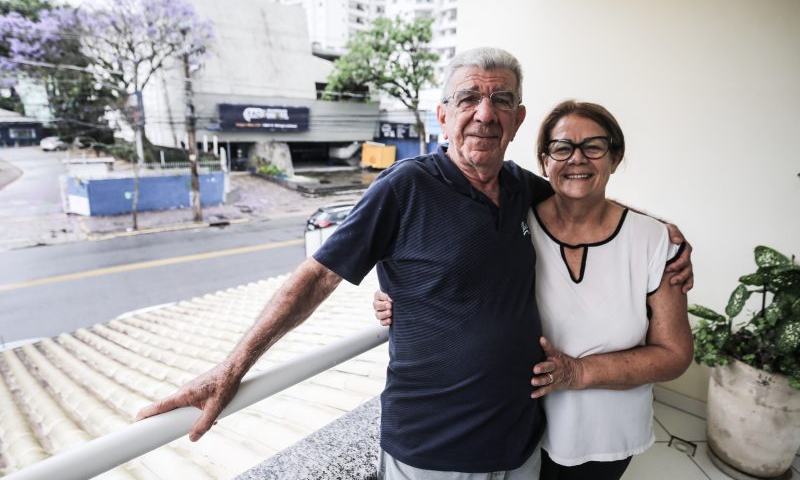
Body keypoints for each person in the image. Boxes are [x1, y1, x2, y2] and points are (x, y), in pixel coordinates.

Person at [137, 48, 692, 479]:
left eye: (501, 100)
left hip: (521, 443)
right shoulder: (405, 186)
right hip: (430, 449)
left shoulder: (525, 188)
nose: (484, 113)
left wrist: (662, 233)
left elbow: (586, 195)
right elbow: (317, 276)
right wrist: (232, 367)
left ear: (519, 118)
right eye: (469, 97)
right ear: (443, 112)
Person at [373, 99, 694, 480]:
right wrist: (406, 298)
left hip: (607, 436)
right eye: (562, 148)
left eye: (593, 146)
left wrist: (577, 372)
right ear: (544, 161)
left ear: (614, 157)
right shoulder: (516, 220)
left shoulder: (654, 241)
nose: (577, 159)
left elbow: (675, 355)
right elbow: (454, 268)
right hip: (520, 431)